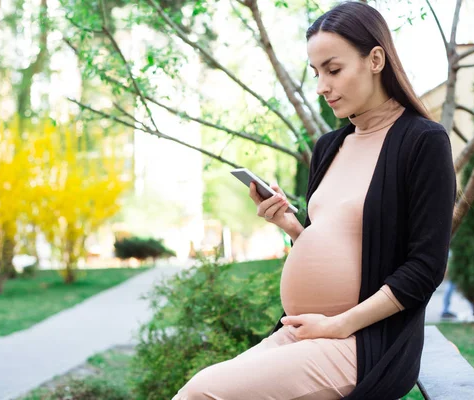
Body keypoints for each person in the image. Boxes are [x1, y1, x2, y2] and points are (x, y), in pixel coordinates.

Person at [172, 2, 456, 399]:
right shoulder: (329, 146)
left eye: (333, 69)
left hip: (364, 344)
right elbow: (336, 241)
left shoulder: (422, 142)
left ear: (375, 59)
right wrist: (290, 226)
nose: (322, 86)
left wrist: (340, 325)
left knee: (203, 394)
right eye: (317, 73)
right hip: (305, 331)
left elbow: (425, 268)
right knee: (192, 392)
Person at [441, 249, 458, 320]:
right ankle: (445, 310)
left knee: (449, 290)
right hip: (452, 275)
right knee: (448, 290)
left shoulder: (451, 252)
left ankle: (445, 310)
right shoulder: (449, 252)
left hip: (453, 275)